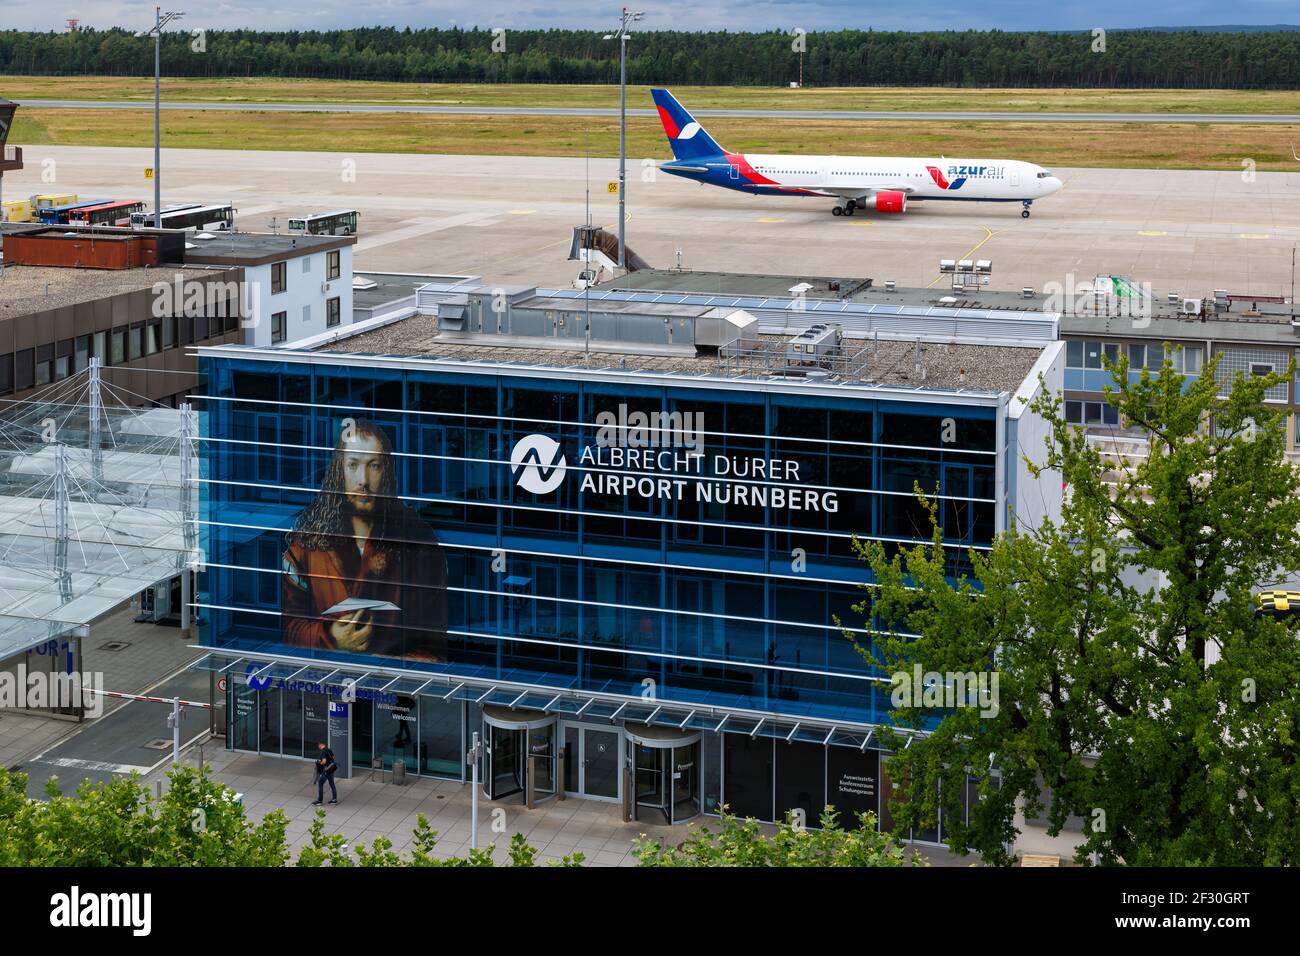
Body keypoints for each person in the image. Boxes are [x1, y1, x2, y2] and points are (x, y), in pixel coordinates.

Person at [282, 418, 448, 661]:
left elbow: (435, 637)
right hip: (324, 675)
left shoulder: (418, 543)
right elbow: (287, 627)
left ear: (387, 472)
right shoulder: (307, 543)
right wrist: (330, 638)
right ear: (339, 471)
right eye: (353, 465)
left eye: (374, 466)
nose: (363, 481)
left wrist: (395, 665)